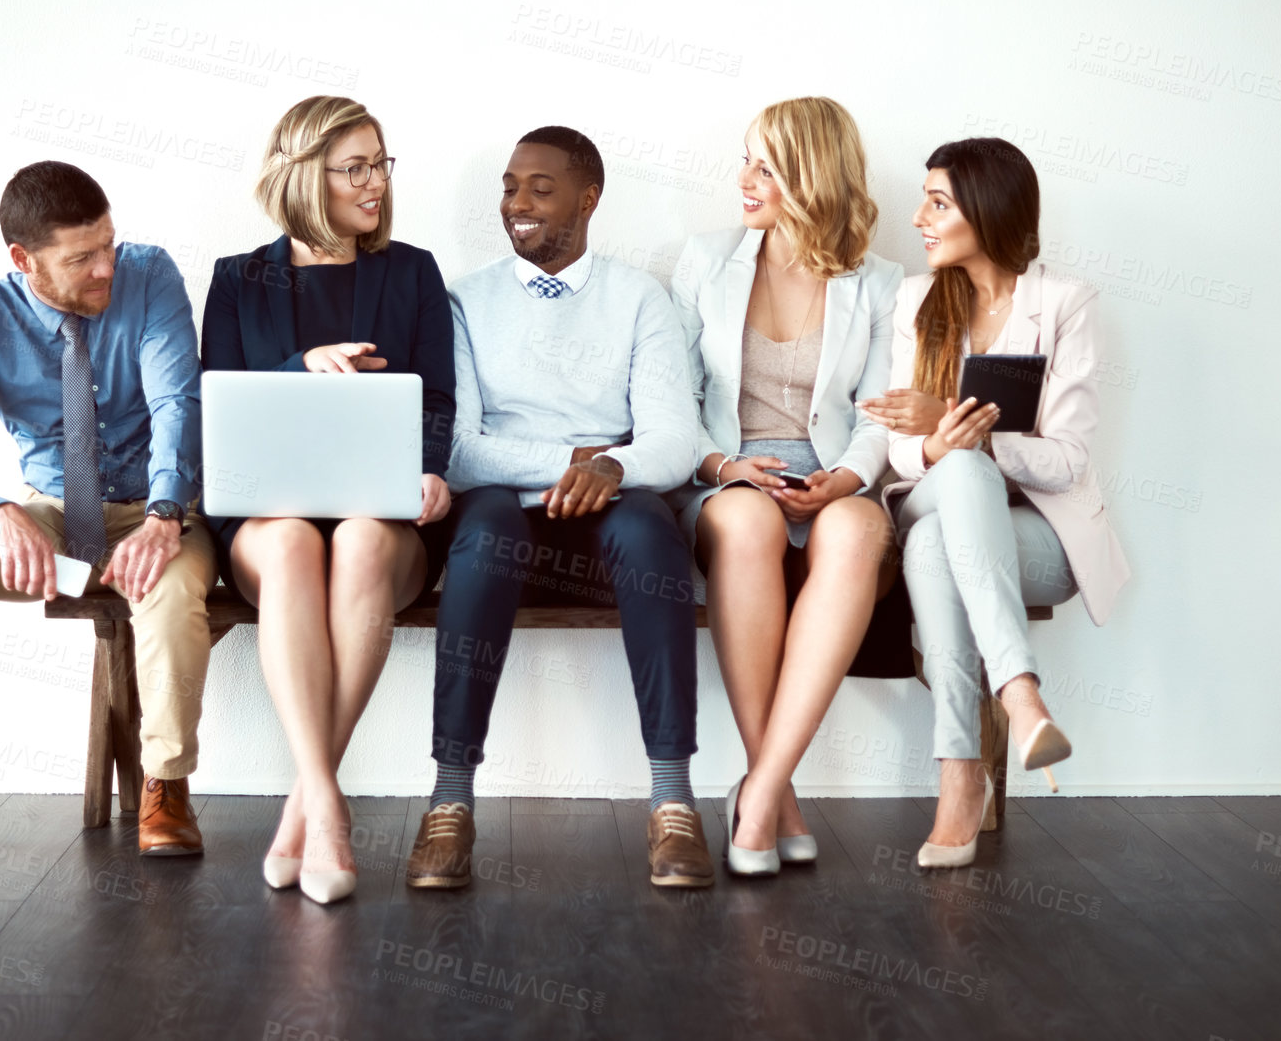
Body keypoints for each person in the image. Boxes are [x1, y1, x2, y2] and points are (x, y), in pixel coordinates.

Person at [0, 160, 215, 868]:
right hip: (51, 517)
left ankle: (165, 785)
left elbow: (178, 402)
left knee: (167, 588)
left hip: (160, 510)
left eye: (108, 243)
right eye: (81, 257)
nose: (104, 267)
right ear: (24, 260)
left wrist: (166, 514)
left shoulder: (149, 278)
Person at [403, 126, 713, 890]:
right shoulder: (464, 299)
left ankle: (672, 800)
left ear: (588, 198)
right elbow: (462, 449)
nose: (517, 203)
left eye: (540, 187)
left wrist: (614, 465)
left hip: (614, 506)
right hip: (503, 506)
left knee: (653, 538)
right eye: (510, 186)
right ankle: (449, 800)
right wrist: (574, 462)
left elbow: (674, 438)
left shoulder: (641, 297)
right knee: (479, 545)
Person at [201, 95, 455, 904]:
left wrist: (429, 469)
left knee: (355, 537)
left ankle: (307, 800)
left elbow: (438, 398)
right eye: (356, 167)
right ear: (305, 174)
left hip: (385, 522)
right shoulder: (237, 279)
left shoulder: (410, 270)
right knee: (290, 543)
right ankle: (326, 803)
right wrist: (298, 366)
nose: (375, 182)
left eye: (381, 162)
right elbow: (217, 407)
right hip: (265, 524)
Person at [858, 137, 1129, 869]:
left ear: (988, 209)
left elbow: (1068, 458)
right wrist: (945, 443)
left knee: (933, 543)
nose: (918, 216)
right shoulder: (916, 299)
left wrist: (966, 429)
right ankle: (1019, 693)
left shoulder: (1065, 303)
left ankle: (959, 776)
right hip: (927, 496)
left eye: (938, 202)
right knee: (956, 486)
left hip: (1035, 538)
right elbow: (896, 452)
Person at [668, 97, 904, 877]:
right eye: (745, 158)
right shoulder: (706, 259)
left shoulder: (880, 283)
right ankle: (776, 793)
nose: (743, 179)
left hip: (830, 472)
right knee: (747, 527)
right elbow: (669, 400)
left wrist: (845, 477)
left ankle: (762, 788)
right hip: (728, 472)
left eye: (764, 166)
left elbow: (879, 415)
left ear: (810, 174)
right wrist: (719, 466)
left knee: (857, 532)